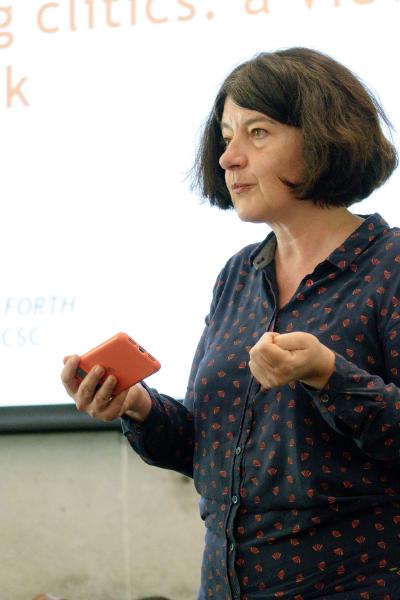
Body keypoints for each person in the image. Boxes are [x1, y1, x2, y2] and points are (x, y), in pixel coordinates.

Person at [61, 47, 400, 599]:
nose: (228, 158)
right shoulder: (239, 275)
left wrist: (329, 375)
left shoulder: (390, 266)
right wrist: (138, 405)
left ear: (324, 137)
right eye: (225, 137)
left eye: (257, 133)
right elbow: (208, 451)